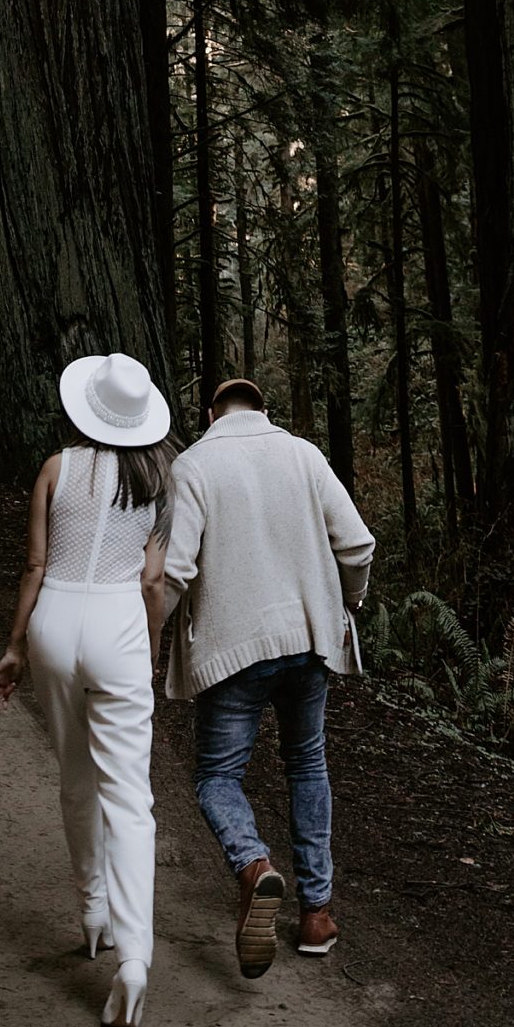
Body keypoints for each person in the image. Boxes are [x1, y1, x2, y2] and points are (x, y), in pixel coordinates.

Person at [162, 376, 375, 980]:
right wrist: (348, 603)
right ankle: (316, 915)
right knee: (307, 762)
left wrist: (143, 638)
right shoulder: (304, 455)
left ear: (210, 414)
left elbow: (175, 571)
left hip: (235, 650)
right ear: (264, 410)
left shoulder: (194, 465)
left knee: (216, 777)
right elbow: (356, 545)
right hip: (308, 640)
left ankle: (255, 867)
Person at [0, 350, 174, 1027]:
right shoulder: (160, 477)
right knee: (129, 796)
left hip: (55, 623)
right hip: (119, 622)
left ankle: (91, 910)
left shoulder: (54, 468)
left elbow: (36, 564)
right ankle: (133, 960)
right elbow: (154, 581)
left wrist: (13, 648)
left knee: (74, 777)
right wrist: (148, 657)